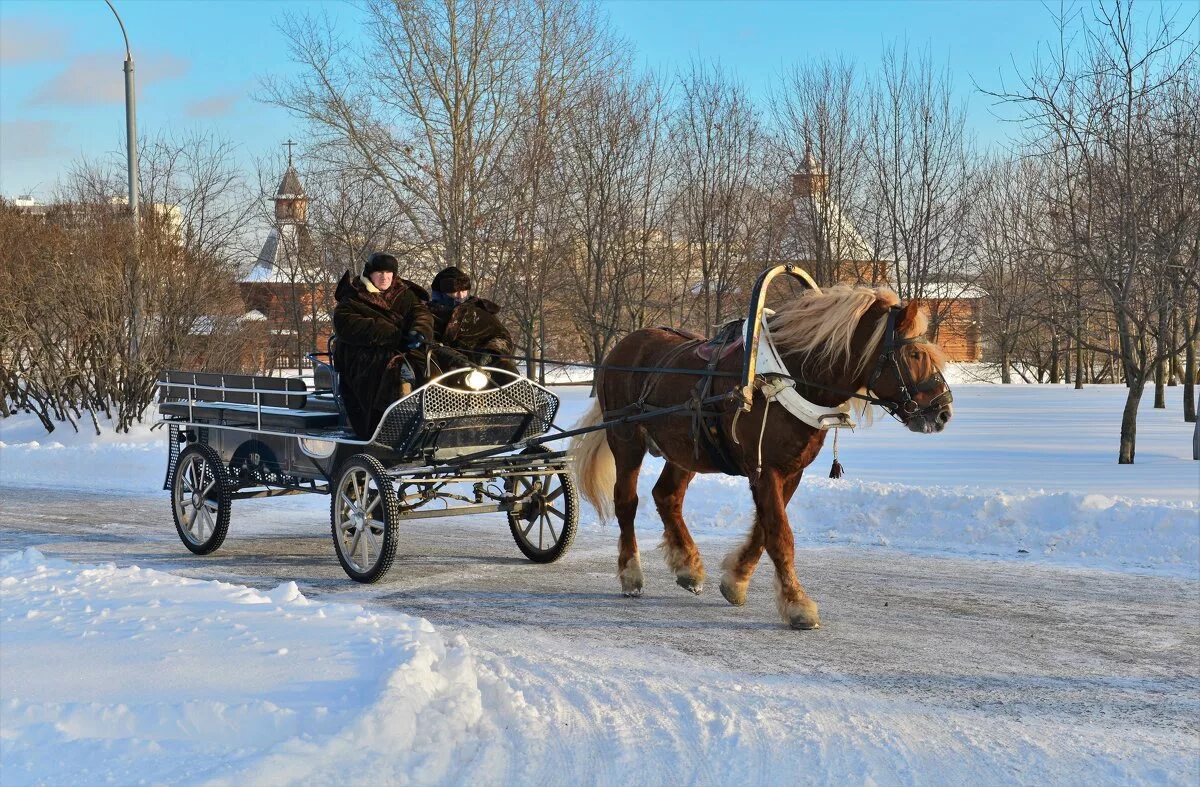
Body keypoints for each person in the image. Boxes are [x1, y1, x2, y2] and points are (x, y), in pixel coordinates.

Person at [332, 252, 434, 438]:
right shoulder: (353, 296)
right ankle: (391, 421)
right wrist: (393, 334)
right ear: (369, 273)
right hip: (363, 354)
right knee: (391, 367)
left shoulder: (405, 294)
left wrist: (419, 331)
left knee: (434, 362)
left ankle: (436, 414)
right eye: (379, 272)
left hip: (405, 349)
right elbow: (347, 324)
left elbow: (422, 314)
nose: (385, 277)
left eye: (389, 273)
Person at [426, 266, 520, 376]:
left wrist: (490, 353)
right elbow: (426, 341)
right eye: (454, 292)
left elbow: (502, 336)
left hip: (484, 368)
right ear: (442, 293)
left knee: (508, 370)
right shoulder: (427, 313)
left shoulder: (479, 310)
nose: (460, 296)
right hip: (445, 368)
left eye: (463, 291)